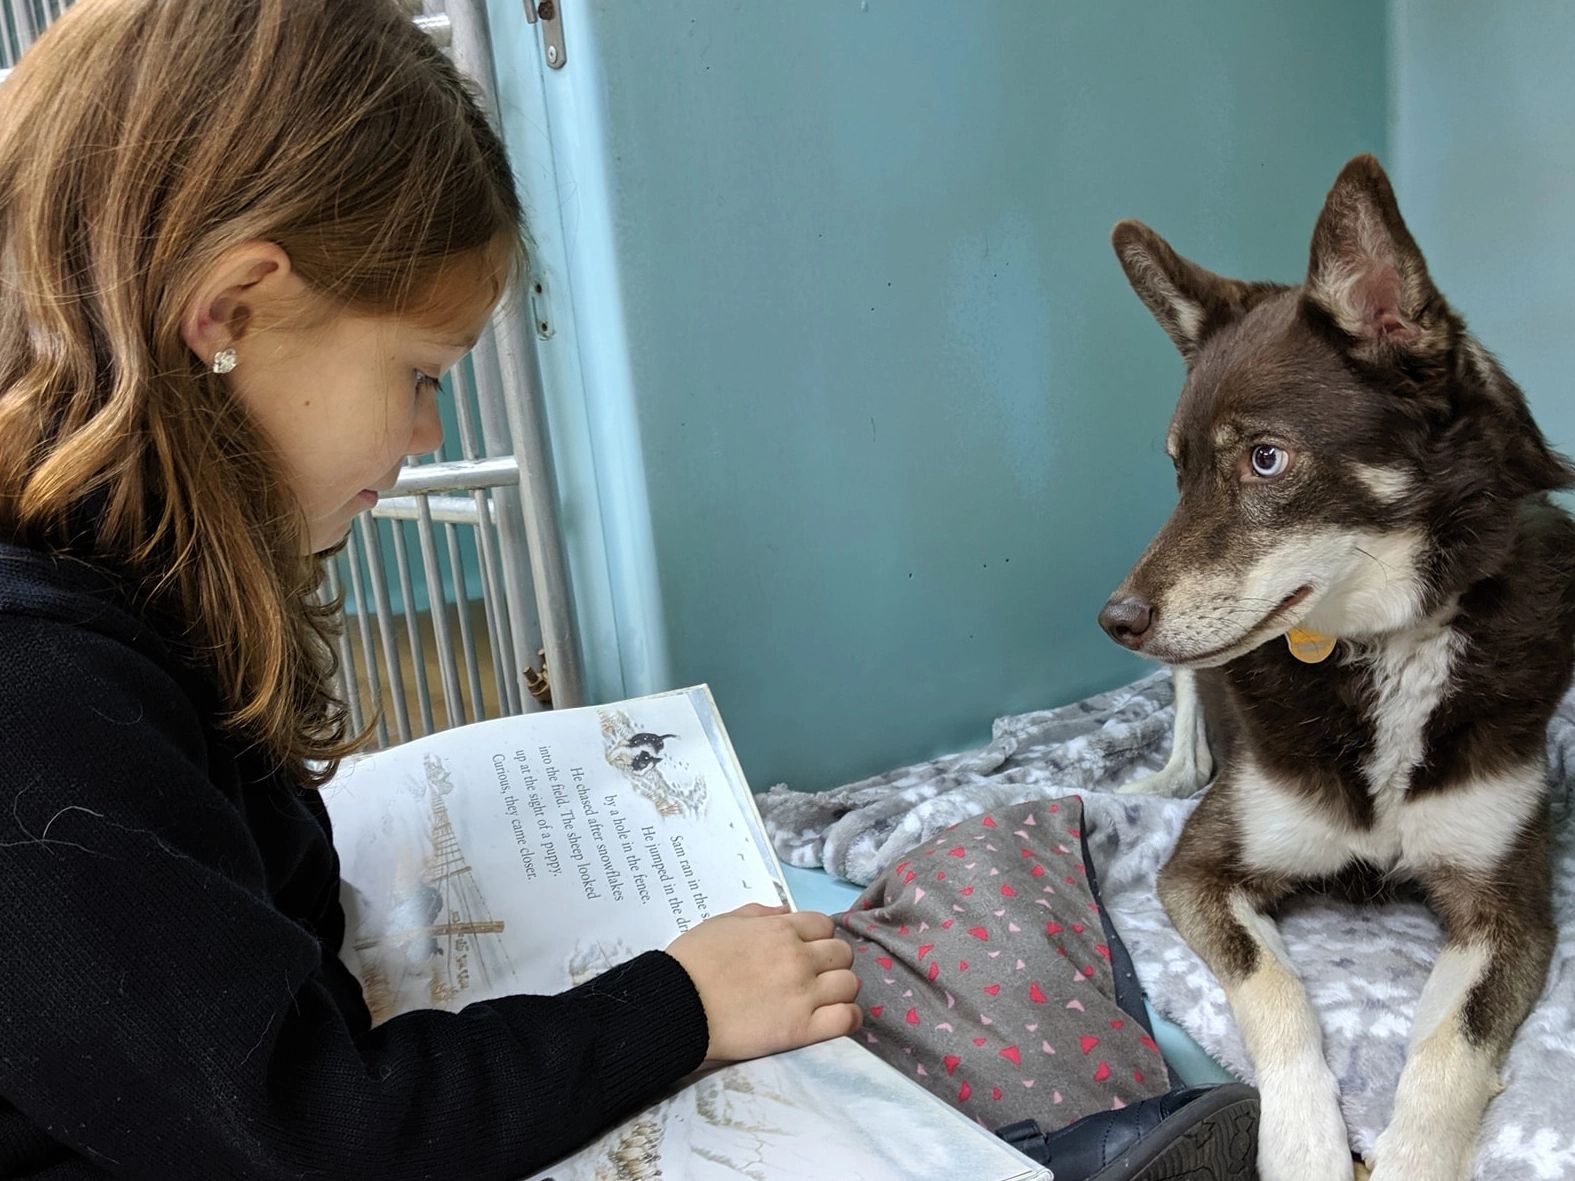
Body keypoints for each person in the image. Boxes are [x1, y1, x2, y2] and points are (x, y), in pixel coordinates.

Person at [0, 2, 860, 1177]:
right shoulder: (31, 691)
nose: (426, 429)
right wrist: (678, 1004)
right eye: (417, 374)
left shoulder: (128, 583)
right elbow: (313, 1131)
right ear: (232, 313)